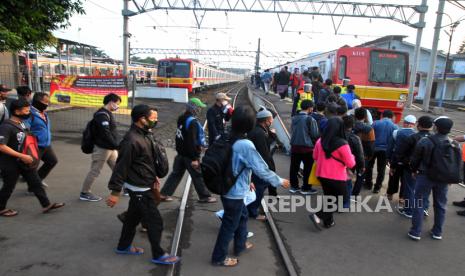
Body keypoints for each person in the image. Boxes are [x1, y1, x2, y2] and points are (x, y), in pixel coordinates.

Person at [211, 106, 290, 267]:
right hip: (234, 192)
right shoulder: (245, 144)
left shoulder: (227, 136)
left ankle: (240, 245)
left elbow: (235, 164)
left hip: (228, 186)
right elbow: (261, 168)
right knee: (229, 225)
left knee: (243, 216)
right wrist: (279, 181)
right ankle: (219, 257)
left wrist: (248, 181)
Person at [106, 104, 180, 265]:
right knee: (155, 222)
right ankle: (158, 254)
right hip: (139, 188)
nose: (156, 121)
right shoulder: (131, 140)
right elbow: (121, 166)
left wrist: (153, 177)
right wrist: (115, 192)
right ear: (142, 119)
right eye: (153, 118)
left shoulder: (145, 134)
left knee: (132, 218)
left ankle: (123, 246)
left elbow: (146, 160)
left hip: (144, 183)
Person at [0, 99, 65, 217]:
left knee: (36, 183)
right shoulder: (6, 126)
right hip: (10, 163)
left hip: (25, 161)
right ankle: (1, 208)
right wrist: (22, 155)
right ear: (17, 111)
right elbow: (1, 146)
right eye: (26, 110)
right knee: (8, 187)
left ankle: (46, 205)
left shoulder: (23, 123)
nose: (28, 112)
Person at [408, 117, 460, 241]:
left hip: (425, 176)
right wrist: (451, 178)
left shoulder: (425, 141)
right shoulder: (454, 143)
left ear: (436, 127)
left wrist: (413, 170)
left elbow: (415, 158)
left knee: (419, 203)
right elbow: (457, 163)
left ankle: (416, 232)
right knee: (441, 205)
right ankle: (437, 232)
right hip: (443, 179)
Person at [160, 98, 216, 203]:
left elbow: (180, 138)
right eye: (198, 107)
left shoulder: (181, 118)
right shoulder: (193, 123)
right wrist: (195, 158)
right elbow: (191, 141)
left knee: (175, 174)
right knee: (197, 176)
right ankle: (205, 196)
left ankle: (164, 194)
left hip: (181, 154)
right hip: (190, 156)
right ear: (193, 108)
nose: (199, 109)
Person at [309, 117, 355, 229]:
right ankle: (317, 215)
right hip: (336, 177)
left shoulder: (320, 141)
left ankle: (328, 222)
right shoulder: (343, 144)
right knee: (341, 199)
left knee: (329, 197)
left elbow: (314, 156)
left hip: (321, 175)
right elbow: (351, 163)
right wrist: (353, 156)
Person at [80, 93, 121, 202]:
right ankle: (85, 192)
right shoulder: (101, 115)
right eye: (117, 104)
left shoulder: (107, 113)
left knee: (118, 169)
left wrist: (115, 146)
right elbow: (105, 133)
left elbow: (110, 132)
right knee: (95, 171)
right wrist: (116, 145)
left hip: (111, 148)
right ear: (111, 102)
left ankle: (126, 188)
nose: (118, 106)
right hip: (103, 148)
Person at [392, 116, 433, 216]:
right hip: (429, 170)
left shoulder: (413, 137)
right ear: (431, 127)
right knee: (425, 190)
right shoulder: (433, 138)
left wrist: (394, 164)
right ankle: (423, 208)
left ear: (418, 125)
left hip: (412, 168)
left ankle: (409, 210)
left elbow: (400, 153)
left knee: (410, 189)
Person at [247, 108, 277, 220]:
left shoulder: (259, 130)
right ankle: (253, 211)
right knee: (259, 188)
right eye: (271, 119)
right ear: (266, 120)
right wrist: (268, 168)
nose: (272, 121)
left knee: (258, 187)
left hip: (256, 165)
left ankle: (251, 208)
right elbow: (264, 152)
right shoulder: (259, 133)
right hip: (259, 167)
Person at [386, 115, 417, 217]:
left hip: (396, 160)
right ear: (414, 124)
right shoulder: (416, 135)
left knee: (393, 178)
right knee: (405, 180)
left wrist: (388, 158)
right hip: (408, 163)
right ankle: (402, 198)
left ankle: (390, 194)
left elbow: (390, 146)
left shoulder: (396, 132)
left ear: (404, 122)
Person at [289, 100, 320, 194]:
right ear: (310, 108)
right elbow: (315, 134)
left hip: (294, 146)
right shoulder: (310, 119)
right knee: (308, 168)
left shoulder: (294, 118)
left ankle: (294, 186)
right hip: (307, 148)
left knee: (294, 167)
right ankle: (306, 188)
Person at [27, 92, 57, 186]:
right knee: (32, 167)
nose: (47, 104)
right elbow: (25, 128)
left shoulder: (43, 112)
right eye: (45, 102)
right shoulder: (29, 113)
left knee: (52, 161)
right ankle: (33, 186)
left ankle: (38, 179)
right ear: (38, 102)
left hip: (46, 144)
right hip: (35, 145)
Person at [365, 109, 397, 193]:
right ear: (392, 117)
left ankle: (368, 184)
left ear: (382, 115)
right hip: (385, 151)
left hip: (373, 148)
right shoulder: (395, 127)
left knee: (369, 166)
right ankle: (377, 187)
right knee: (381, 169)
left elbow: (369, 135)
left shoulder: (375, 123)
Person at [352, 108, 375, 196]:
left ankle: (345, 192)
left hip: (349, 155)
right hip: (363, 156)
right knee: (360, 176)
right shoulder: (369, 129)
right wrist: (370, 156)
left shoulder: (350, 125)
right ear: (365, 116)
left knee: (347, 174)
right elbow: (370, 145)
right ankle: (354, 194)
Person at [342, 115, 364, 207]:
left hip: (334, 164)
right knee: (347, 184)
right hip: (349, 165)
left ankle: (333, 203)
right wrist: (362, 166)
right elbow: (359, 154)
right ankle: (345, 204)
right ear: (352, 125)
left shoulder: (334, 135)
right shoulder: (354, 138)